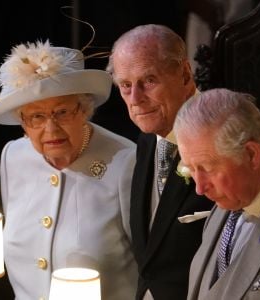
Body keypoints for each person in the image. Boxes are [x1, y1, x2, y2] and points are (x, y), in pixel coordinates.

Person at [0, 40, 137, 300]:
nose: (51, 129)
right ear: (22, 122)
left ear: (85, 109)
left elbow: (151, 266)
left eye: (63, 112)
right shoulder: (14, 156)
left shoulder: (127, 162)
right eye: (36, 117)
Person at [106, 24, 213, 300]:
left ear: (186, 75)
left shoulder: (220, 137)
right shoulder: (147, 140)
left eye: (149, 81)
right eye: (125, 86)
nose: (136, 99)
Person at [174, 88, 260, 300]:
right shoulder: (227, 204)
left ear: (251, 155)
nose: (199, 188)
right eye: (191, 168)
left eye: (207, 168)